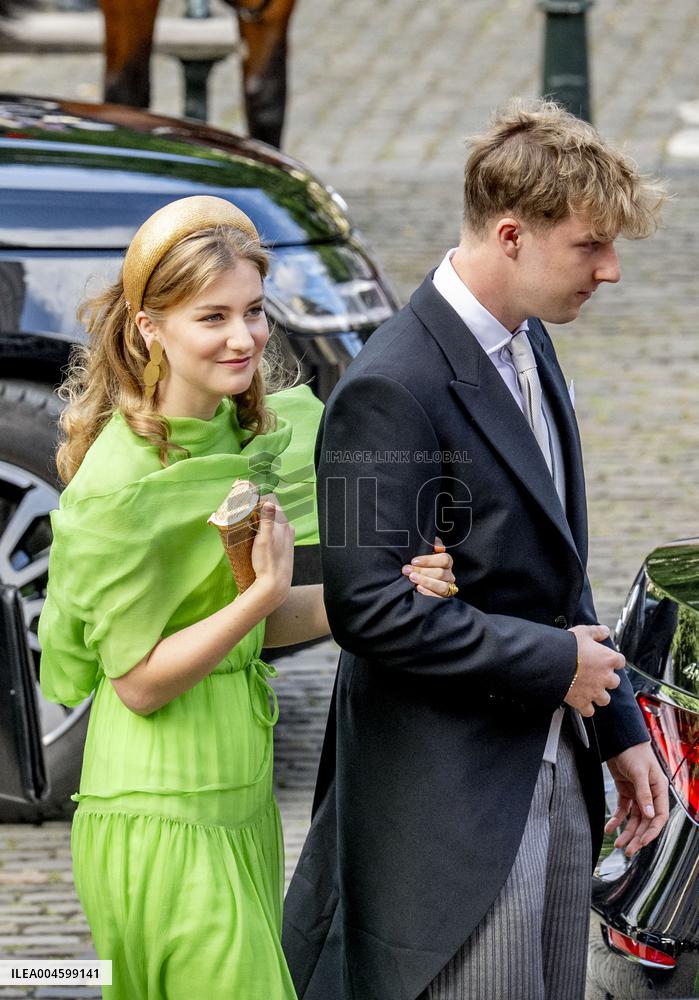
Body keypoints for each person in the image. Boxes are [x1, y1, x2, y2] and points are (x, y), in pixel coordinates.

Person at [282, 101, 670, 1000]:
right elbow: (366, 609)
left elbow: (555, 566)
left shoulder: (531, 341)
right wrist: (554, 665)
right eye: (589, 246)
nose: (610, 271)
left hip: (553, 776)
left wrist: (616, 727)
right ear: (510, 235)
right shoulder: (389, 387)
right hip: (450, 820)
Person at [38, 195, 455, 1000]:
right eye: (212, 317)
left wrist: (376, 594)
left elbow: (245, 635)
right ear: (150, 327)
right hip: (161, 811)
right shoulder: (119, 487)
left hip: (240, 803)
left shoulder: (240, 438)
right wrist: (261, 592)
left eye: (255, 312)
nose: (244, 337)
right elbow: (137, 680)